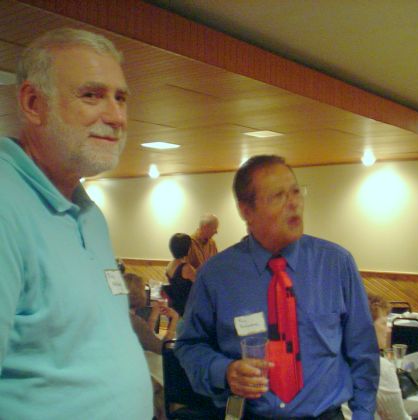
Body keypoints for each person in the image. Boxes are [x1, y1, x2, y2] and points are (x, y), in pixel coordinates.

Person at [0, 28, 152, 418]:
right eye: (91, 95)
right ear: (34, 103)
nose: (117, 117)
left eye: (121, 98)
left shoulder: (89, 212)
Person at [175, 155, 379, 419]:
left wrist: (363, 416)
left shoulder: (336, 264)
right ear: (246, 211)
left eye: (296, 191)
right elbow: (189, 345)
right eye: (278, 196)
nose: (293, 204)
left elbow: (364, 353)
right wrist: (223, 371)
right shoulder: (216, 276)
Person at [367, 294, 412, 420]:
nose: (388, 330)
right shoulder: (379, 366)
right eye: (384, 323)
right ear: (367, 327)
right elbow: (398, 418)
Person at [125, 273, 180, 353]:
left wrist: (155, 313)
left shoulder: (123, 316)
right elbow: (162, 348)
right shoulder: (135, 322)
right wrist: (174, 318)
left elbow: (147, 337)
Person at [164, 233, 197, 316]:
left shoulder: (170, 264)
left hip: (173, 307)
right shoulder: (186, 268)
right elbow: (200, 284)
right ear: (187, 249)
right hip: (184, 309)